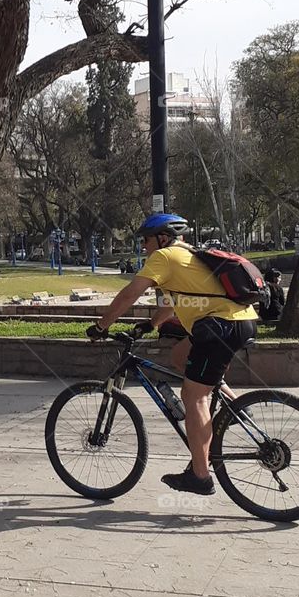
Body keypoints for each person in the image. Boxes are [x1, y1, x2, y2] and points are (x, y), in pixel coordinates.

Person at [87, 213, 258, 497]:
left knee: (194, 396)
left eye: (146, 240)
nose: (143, 246)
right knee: (180, 356)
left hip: (219, 326)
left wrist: (101, 326)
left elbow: (130, 293)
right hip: (237, 321)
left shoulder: (164, 257)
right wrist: (151, 324)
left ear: (162, 238)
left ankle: (200, 476)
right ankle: (232, 404)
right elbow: (179, 300)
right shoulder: (189, 254)